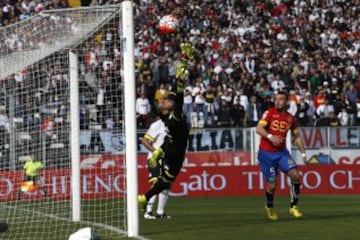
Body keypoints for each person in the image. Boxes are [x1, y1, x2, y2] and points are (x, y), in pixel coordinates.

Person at [138, 43, 194, 217]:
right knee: (167, 180)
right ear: (165, 109)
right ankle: (150, 206)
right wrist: (184, 61)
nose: (167, 100)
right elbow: (178, 91)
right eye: (165, 101)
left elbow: (176, 91)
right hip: (176, 150)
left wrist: (184, 60)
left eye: (168, 100)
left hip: (170, 146)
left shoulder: (165, 117)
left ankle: (145, 198)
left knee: (166, 182)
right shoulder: (175, 116)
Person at [256, 91, 307, 221]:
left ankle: (294, 207)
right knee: (272, 185)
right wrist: (270, 137)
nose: (277, 101)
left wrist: (303, 153)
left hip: (282, 153)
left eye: (280, 99)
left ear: (287, 101)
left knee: (295, 175)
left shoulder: (290, 118)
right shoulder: (269, 113)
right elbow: (259, 129)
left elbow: (297, 137)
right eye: (276, 99)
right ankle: (270, 206)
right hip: (266, 153)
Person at [141, 114, 169, 219]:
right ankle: (148, 212)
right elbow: (144, 141)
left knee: (166, 185)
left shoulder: (173, 125)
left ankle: (160, 213)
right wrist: (156, 152)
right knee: (156, 183)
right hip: (155, 158)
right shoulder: (157, 125)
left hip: (167, 159)